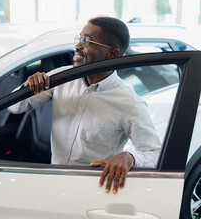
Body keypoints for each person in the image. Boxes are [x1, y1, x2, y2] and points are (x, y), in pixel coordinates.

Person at [8, 17, 161, 194]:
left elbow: (155, 154)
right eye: (79, 38)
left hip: (92, 191)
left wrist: (131, 157)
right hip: (54, 181)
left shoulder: (129, 103)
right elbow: (14, 107)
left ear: (111, 54)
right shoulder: (61, 77)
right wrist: (27, 88)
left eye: (87, 41)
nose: (78, 46)